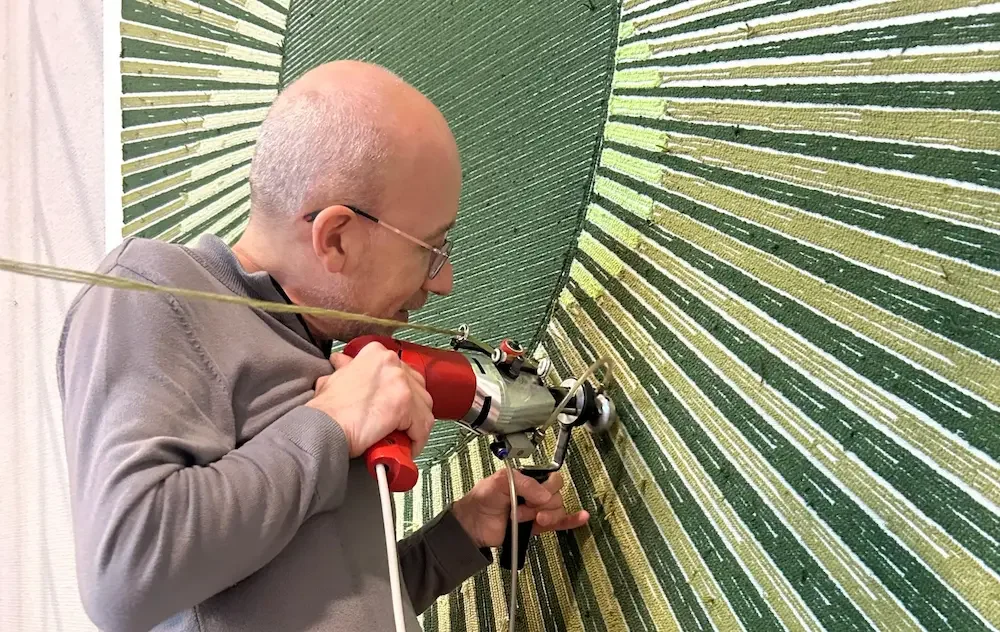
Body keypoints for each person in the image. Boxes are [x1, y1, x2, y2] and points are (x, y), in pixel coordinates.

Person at [56, 60, 589, 632]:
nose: (443, 281)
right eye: (431, 249)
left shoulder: (322, 356)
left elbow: (316, 603)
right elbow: (126, 573)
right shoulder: (155, 288)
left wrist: (461, 532)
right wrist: (332, 423)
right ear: (336, 237)